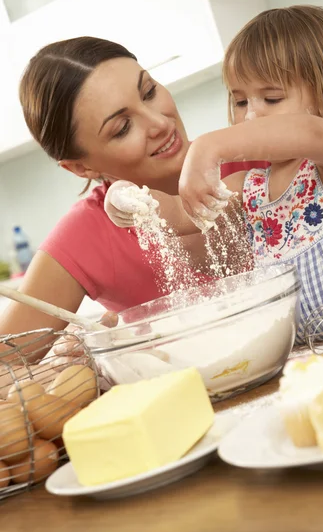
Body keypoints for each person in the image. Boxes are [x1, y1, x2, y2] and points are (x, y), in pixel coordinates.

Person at [108, 6, 323, 343]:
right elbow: (179, 213)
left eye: (271, 98)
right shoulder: (249, 188)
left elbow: (308, 132)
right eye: (241, 101)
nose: (251, 114)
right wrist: (128, 196)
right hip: (302, 362)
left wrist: (207, 147)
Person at [0, 36, 266, 359]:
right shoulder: (88, 234)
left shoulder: (257, 153)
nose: (159, 123)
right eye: (123, 127)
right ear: (80, 167)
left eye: (149, 92)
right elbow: (6, 363)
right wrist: (67, 361)